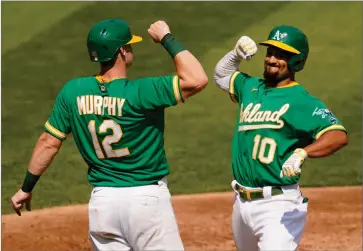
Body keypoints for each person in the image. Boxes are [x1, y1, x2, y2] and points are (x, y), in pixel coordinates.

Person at [11, 19, 208, 251]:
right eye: (129, 46)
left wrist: (26, 188)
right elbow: (197, 79)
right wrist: (166, 37)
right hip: (146, 202)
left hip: (102, 205)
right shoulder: (142, 92)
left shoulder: (73, 92)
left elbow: (48, 143)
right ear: (122, 51)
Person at [213, 25, 348, 251]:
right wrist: (235, 54)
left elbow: (337, 135)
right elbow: (222, 75)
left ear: (296, 61)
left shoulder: (301, 100)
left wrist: (302, 152)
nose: (272, 59)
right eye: (270, 53)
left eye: (281, 55)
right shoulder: (250, 87)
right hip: (241, 203)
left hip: (278, 205)